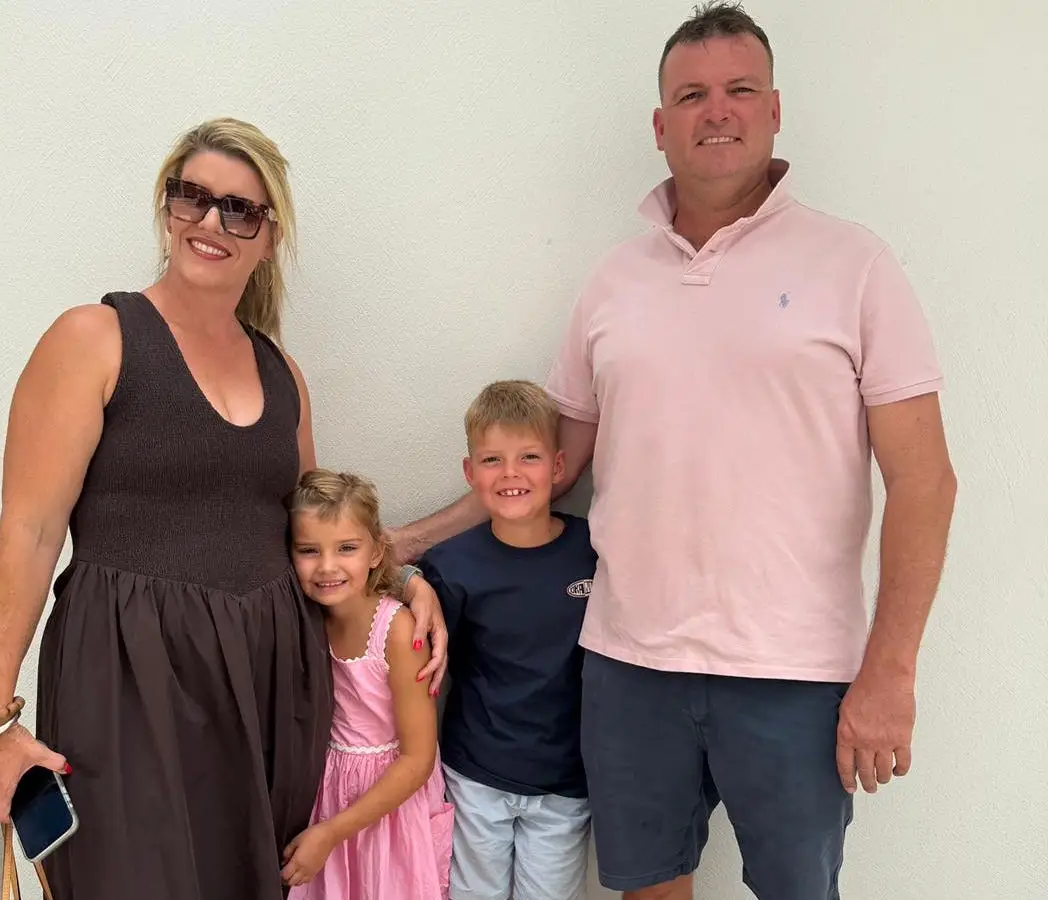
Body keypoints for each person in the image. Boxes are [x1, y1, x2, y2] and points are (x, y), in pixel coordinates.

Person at [393, 4, 958, 899]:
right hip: (629, 664)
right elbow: (553, 465)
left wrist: (891, 671)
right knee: (648, 888)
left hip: (794, 671)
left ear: (775, 109)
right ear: (661, 127)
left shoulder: (854, 265)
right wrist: (411, 544)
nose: (717, 111)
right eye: (691, 95)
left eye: (739, 90)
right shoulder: (615, 281)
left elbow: (925, 480)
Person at [0, 117, 448, 900]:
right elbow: (27, 532)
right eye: (190, 198)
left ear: (268, 235)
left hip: (267, 688)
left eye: (239, 210)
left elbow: (319, 534)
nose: (211, 223)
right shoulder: (95, 338)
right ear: (166, 209)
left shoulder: (281, 370)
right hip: (126, 677)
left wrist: (405, 581)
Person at [417, 380, 597, 900]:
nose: (511, 473)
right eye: (492, 459)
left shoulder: (593, 551)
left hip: (564, 782)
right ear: (470, 473)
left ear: (559, 468)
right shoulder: (450, 566)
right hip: (476, 776)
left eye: (529, 457)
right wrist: (412, 582)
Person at [282, 469, 454, 898]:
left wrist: (331, 832)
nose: (326, 567)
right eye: (308, 550)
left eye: (346, 548)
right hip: (329, 788)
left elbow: (417, 760)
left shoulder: (397, 630)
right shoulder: (306, 618)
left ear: (377, 552)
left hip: (388, 805)